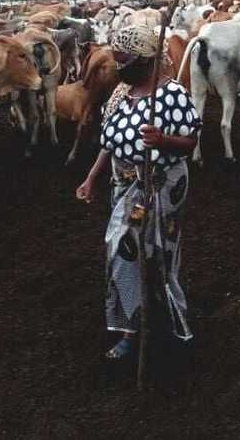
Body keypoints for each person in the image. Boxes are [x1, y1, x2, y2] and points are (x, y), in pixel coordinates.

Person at [75, 25, 200, 360]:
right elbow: (108, 143)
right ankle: (132, 327)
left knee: (157, 253)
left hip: (161, 184)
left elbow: (190, 142)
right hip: (124, 185)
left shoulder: (171, 95)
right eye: (116, 61)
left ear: (146, 61)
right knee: (124, 251)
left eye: (124, 61)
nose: (118, 68)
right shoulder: (120, 94)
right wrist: (91, 177)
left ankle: (165, 319)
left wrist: (163, 140)